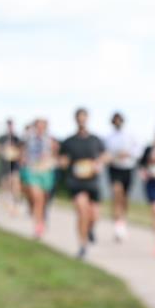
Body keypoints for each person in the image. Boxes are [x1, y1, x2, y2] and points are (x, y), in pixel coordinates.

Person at [59, 108, 106, 259]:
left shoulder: (95, 140)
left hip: (92, 182)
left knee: (94, 215)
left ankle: (90, 229)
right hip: (76, 181)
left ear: (87, 119)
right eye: (79, 118)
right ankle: (82, 244)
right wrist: (63, 163)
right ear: (75, 120)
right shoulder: (69, 141)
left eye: (83, 118)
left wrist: (99, 163)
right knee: (82, 211)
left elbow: (105, 155)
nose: (81, 121)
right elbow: (63, 160)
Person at [104, 112, 143, 241]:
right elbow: (105, 153)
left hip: (128, 168)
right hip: (114, 168)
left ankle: (122, 220)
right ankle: (117, 224)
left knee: (124, 198)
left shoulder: (130, 135)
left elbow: (138, 150)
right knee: (117, 193)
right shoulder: (108, 137)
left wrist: (128, 154)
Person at [20, 118, 58, 238]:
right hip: (32, 171)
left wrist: (51, 160)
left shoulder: (50, 140)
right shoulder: (28, 139)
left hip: (46, 173)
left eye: (43, 126)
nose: (40, 129)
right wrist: (23, 160)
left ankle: (42, 218)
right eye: (38, 126)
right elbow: (22, 152)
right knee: (37, 198)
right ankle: (38, 226)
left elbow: (56, 155)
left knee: (44, 200)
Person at [0, 118, 24, 214]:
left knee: (15, 181)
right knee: (5, 184)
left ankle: (16, 202)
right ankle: (6, 202)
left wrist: (18, 155)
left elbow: (21, 150)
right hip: (5, 164)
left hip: (14, 164)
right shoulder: (2, 138)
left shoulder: (16, 138)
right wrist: (3, 150)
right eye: (9, 125)